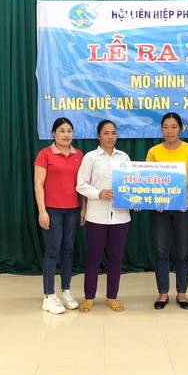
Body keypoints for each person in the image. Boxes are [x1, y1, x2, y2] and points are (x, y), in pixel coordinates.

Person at [146, 112, 188, 310]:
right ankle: (163, 293)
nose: (169, 131)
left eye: (174, 127)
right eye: (166, 127)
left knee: (183, 252)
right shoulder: (154, 151)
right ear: (161, 129)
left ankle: (182, 293)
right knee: (161, 252)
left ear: (181, 128)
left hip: (184, 207)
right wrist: (156, 198)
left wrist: (182, 196)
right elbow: (148, 179)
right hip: (160, 209)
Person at [76, 120, 131, 313]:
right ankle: (89, 298)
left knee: (116, 259)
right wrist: (98, 193)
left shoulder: (124, 157)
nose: (110, 137)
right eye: (106, 133)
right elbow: (81, 185)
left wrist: (135, 199)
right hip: (97, 216)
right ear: (98, 135)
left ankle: (112, 297)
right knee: (94, 257)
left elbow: (132, 184)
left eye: (113, 133)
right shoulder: (90, 158)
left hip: (121, 217)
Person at [34, 117, 85, 314]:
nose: (66, 134)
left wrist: (83, 208)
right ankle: (48, 295)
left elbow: (82, 184)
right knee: (52, 250)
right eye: (62, 131)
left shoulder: (78, 155)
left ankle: (65, 290)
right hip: (52, 210)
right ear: (53, 133)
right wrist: (42, 211)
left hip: (72, 210)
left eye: (69, 130)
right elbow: (38, 184)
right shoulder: (45, 154)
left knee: (68, 250)